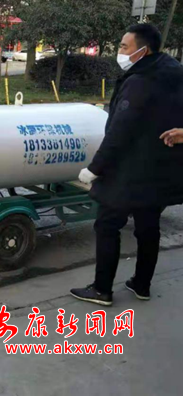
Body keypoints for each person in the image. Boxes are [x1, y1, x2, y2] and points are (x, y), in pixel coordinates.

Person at [71, 24, 183, 306]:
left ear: (143, 50)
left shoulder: (140, 82)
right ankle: (142, 284)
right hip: (162, 169)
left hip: (129, 171)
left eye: (124, 47)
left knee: (107, 225)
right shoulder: (175, 74)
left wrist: (94, 168)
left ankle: (102, 289)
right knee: (148, 226)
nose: (119, 52)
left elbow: (119, 131)